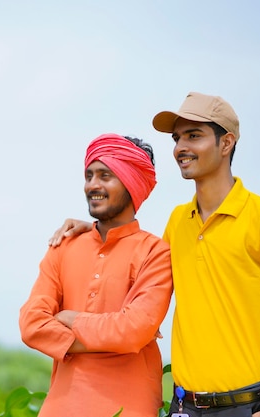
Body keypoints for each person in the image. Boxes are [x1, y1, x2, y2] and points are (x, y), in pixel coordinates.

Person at [48, 92, 260, 417]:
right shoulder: (178, 221)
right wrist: (94, 229)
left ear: (226, 143)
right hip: (184, 406)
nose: (180, 148)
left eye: (193, 136)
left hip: (248, 405)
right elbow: (140, 266)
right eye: (177, 138)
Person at [19, 133, 173, 417]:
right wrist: (110, 339)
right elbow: (31, 324)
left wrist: (69, 319)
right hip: (61, 407)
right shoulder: (63, 245)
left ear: (132, 183)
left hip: (129, 408)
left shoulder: (155, 252)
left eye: (105, 176)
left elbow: (133, 331)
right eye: (89, 175)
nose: (93, 185)